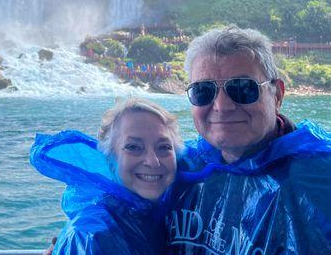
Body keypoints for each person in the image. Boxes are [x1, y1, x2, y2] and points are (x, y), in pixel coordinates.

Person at [167, 26, 331, 254]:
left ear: (277, 95)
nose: (222, 107)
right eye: (203, 90)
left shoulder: (320, 179)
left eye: (243, 88)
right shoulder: (181, 167)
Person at [30, 98, 184, 254]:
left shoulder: (158, 213)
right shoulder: (91, 237)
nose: (153, 161)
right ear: (110, 160)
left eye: (164, 147)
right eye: (133, 147)